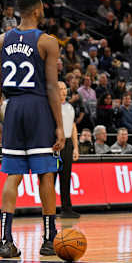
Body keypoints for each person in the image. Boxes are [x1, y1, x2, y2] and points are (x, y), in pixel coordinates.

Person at [0, 0, 65, 258]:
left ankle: (5, 241)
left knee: (13, 175)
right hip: (37, 108)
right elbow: (53, 88)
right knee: (45, 174)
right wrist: (59, 125)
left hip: (12, 108)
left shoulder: (2, 40)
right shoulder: (47, 41)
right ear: (37, 9)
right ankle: (48, 239)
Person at [57, 81, 80, 218]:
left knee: (66, 178)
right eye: (60, 89)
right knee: (51, 178)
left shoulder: (70, 107)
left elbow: (73, 128)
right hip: (54, 144)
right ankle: (48, 210)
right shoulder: (51, 106)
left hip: (68, 143)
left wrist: (76, 148)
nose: (63, 91)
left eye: (65, 88)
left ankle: (66, 208)